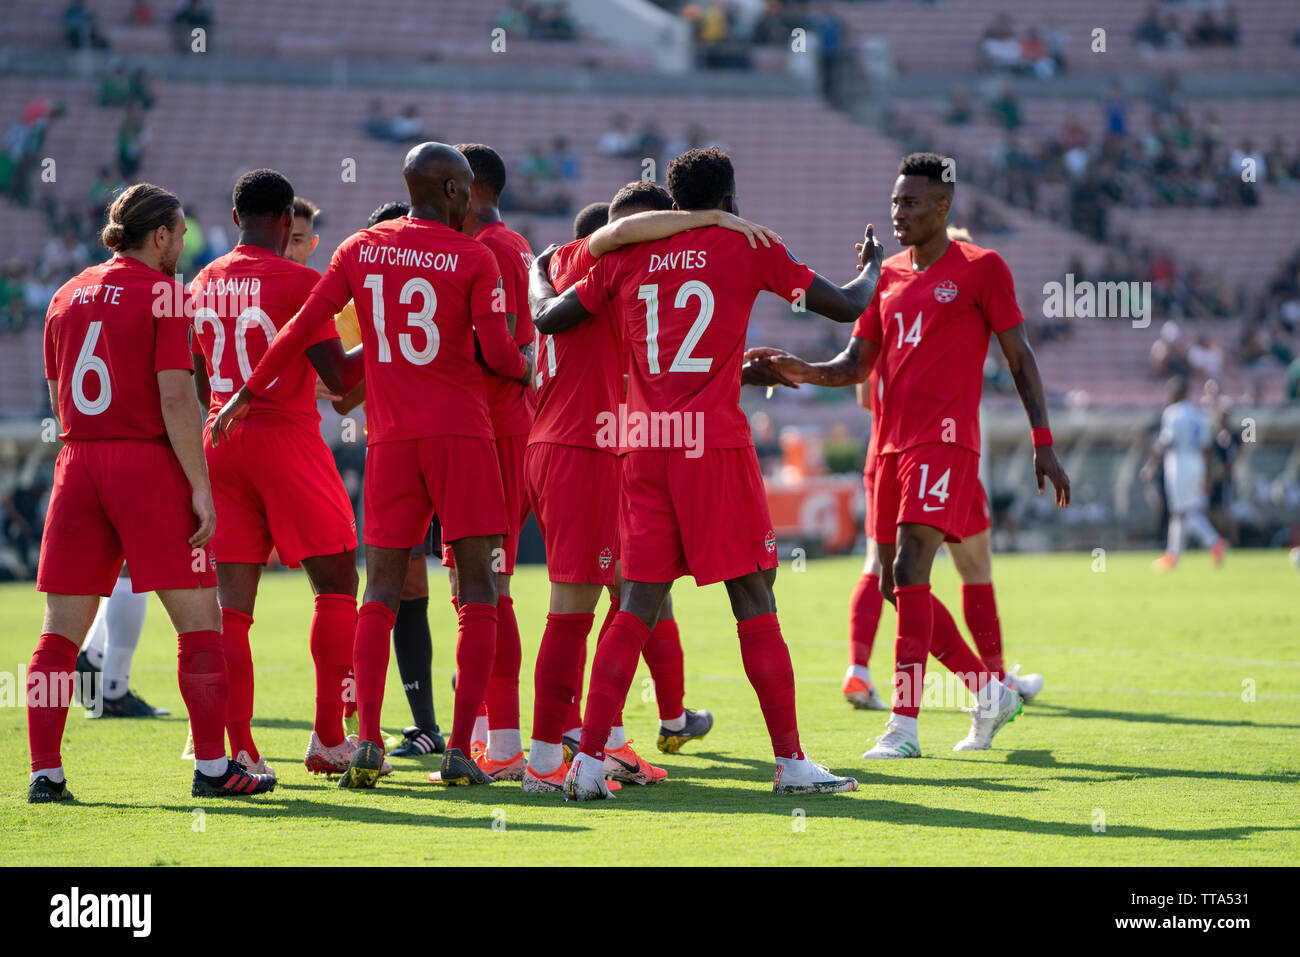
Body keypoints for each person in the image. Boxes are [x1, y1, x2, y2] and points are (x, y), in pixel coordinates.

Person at [529, 147, 879, 799]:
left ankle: (584, 765)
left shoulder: (627, 256)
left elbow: (552, 317)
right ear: (731, 195)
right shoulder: (747, 246)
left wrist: (538, 270)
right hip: (711, 445)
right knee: (752, 593)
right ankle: (792, 762)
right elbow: (841, 304)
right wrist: (874, 270)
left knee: (635, 603)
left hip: (642, 444)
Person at [214, 143, 531, 789]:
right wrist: (532, 363)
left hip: (390, 441)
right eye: (465, 190)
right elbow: (499, 355)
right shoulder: (472, 256)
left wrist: (245, 393)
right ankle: (461, 750)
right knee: (478, 593)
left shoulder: (359, 248)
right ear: (449, 191)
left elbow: (300, 328)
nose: (470, 201)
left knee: (379, 592)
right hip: (462, 438)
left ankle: (364, 742)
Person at [751, 153, 1070, 758]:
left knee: (909, 567)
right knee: (900, 586)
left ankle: (903, 725)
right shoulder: (887, 277)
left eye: (912, 202)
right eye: (896, 201)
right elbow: (855, 365)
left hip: (945, 439)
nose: (898, 212)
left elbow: (1020, 355)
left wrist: (1043, 441)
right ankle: (988, 690)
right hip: (889, 447)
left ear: (943, 207)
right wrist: (801, 369)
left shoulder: (982, 268)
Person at [523, 182, 775, 793]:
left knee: (630, 598)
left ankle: (608, 743)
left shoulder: (569, 265)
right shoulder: (605, 256)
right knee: (584, 609)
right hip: (592, 446)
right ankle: (538, 760)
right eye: (663, 225)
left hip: (570, 441)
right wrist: (710, 214)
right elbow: (617, 238)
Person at [28, 182, 275, 802]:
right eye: (181, 231)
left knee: (59, 633)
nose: (185, 242)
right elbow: (175, 397)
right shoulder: (165, 294)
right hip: (144, 464)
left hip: (78, 462)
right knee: (200, 624)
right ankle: (214, 769)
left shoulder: (64, 294)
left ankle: (44, 774)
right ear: (159, 235)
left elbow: (59, 392)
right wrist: (201, 487)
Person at [190, 169, 365, 779]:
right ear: (288, 221)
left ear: (236, 218)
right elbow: (342, 378)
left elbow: (194, 373)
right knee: (338, 579)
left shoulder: (204, 279)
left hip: (221, 437)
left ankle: (238, 748)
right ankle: (328, 736)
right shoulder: (298, 280)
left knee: (231, 608)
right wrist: (389, 329)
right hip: (284, 436)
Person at [328, 200, 442, 758]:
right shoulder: (362, 301)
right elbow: (346, 398)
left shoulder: (370, 297)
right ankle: (429, 727)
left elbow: (342, 392)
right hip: (429, 446)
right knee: (418, 589)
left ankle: (489, 729)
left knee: (473, 587)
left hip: (414, 447)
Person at [1143, 377, 1226, 571]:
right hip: (1196, 464)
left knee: (1184, 512)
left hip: (1179, 465)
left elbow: (1166, 441)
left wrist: (1151, 463)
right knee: (1181, 512)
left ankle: (1214, 542)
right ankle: (1173, 555)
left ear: (1175, 393)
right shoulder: (1198, 414)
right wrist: (1205, 475)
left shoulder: (1172, 413)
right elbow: (1206, 448)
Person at [285, 196, 320, 267]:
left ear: (312, 245)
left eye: (296, 240)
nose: (287, 252)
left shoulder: (318, 278)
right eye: (280, 241)